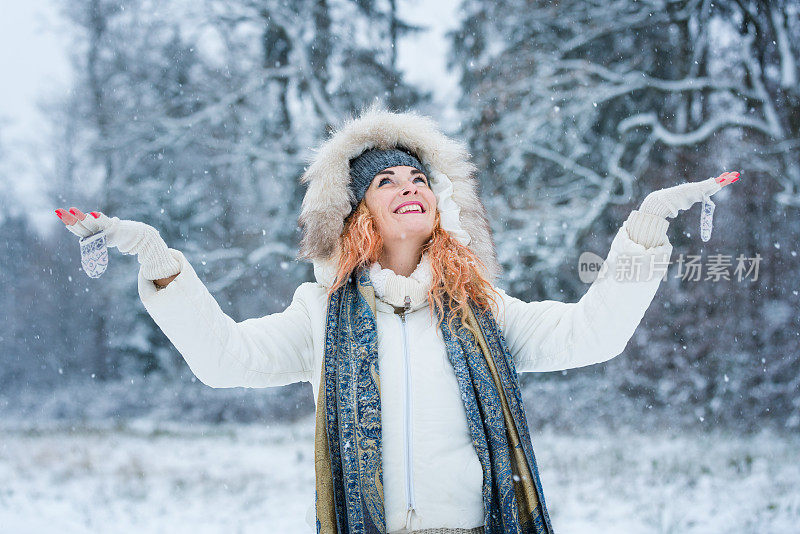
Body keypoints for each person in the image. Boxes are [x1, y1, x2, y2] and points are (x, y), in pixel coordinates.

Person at [55, 107, 739, 534]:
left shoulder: (483, 314)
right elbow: (223, 360)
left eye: (418, 180)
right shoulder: (320, 315)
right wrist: (160, 261)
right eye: (386, 182)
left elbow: (596, 333)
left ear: (439, 203)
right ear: (357, 216)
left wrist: (646, 231)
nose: (408, 188)